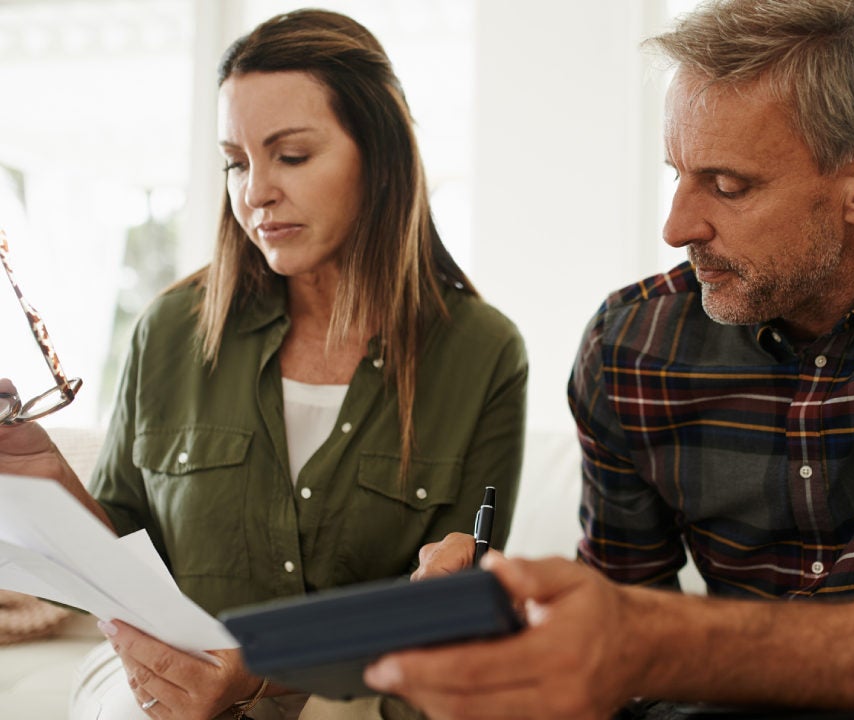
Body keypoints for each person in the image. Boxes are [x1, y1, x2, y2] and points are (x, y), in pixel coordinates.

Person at [359, 1, 854, 719]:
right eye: (676, 175)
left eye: (727, 185)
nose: (677, 225)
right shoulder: (631, 349)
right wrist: (513, 645)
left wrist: (652, 640)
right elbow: (616, 686)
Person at [0, 8, 526, 720]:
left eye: (293, 156)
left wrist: (260, 673)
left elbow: (455, 611)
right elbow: (118, 562)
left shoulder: (483, 353)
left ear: (380, 155)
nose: (255, 192)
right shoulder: (171, 331)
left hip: (353, 692)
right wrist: (44, 476)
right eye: (237, 161)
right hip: (168, 672)